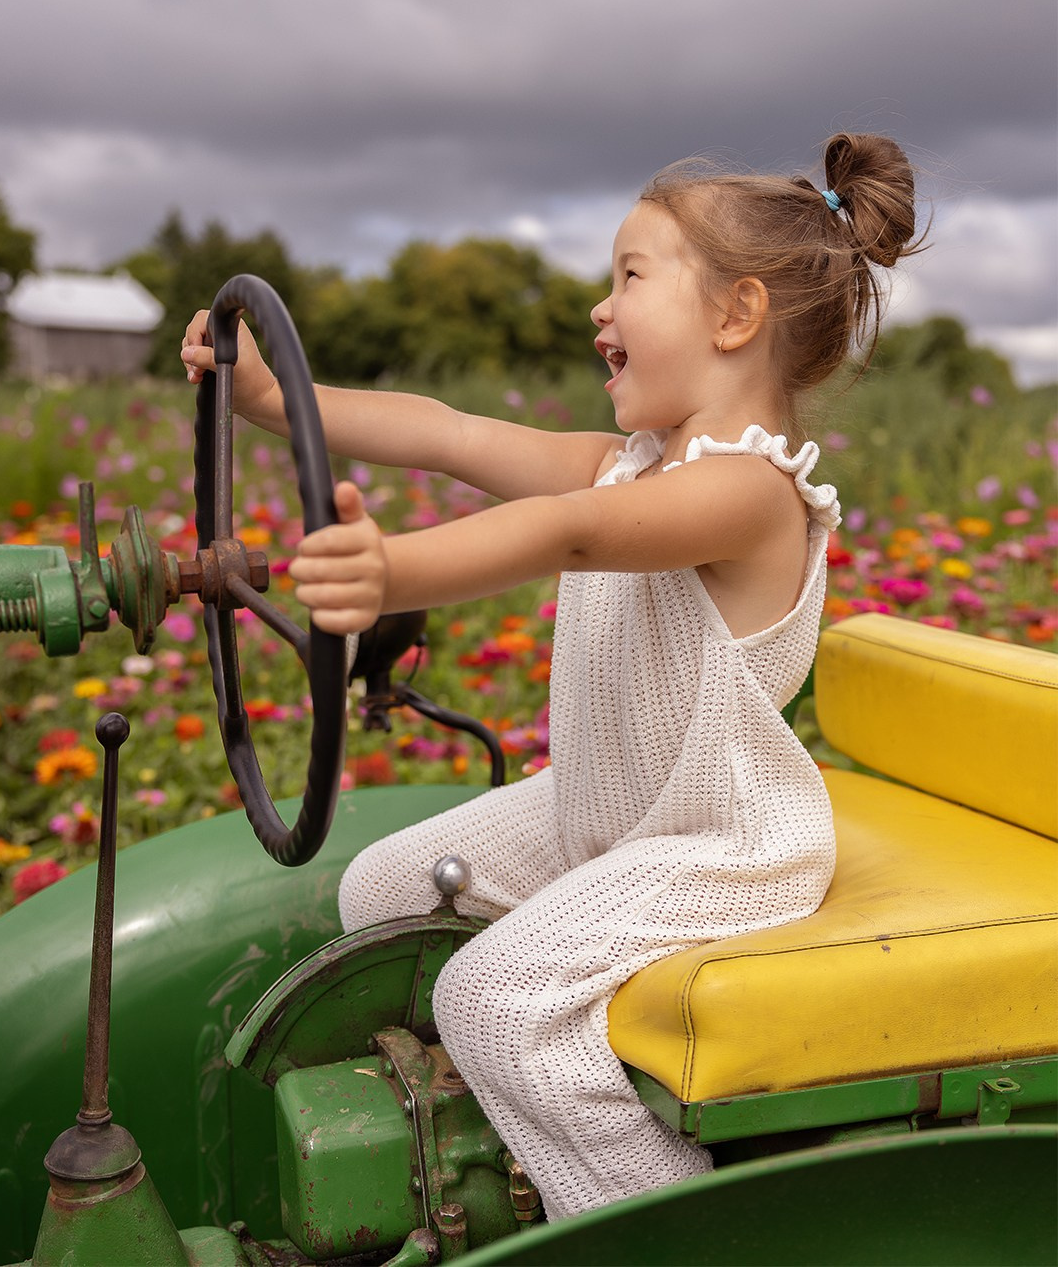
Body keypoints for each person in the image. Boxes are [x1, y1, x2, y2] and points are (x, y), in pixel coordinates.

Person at [182, 131, 920, 1221]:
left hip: (723, 845)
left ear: (736, 316)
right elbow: (449, 431)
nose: (598, 308)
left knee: (495, 1000)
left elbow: (568, 533)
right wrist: (268, 398)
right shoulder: (630, 462)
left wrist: (393, 569)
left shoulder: (749, 494)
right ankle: (502, 1152)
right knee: (380, 893)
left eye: (630, 276)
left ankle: (664, 1227)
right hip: (609, 813)